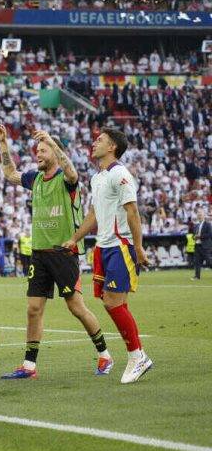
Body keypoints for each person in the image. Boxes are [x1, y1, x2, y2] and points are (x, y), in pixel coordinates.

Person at [0, 125, 113, 379]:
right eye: (37, 150)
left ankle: (105, 355)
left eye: (43, 150)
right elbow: (10, 173)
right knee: (33, 308)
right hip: (39, 253)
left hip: (63, 252)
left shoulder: (67, 180)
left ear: (56, 153)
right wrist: (3, 143)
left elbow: (71, 171)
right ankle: (29, 366)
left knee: (76, 308)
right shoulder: (35, 179)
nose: (38, 154)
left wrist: (52, 142)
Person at [62, 127, 153, 384]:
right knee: (112, 302)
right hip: (103, 248)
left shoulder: (120, 174)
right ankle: (137, 355)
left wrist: (138, 247)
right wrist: (75, 238)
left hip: (120, 246)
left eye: (100, 140)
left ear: (112, 147)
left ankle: (137, 356)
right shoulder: (98, 177)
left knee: (112, 303)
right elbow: (93, 214)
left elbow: (133, 211)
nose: (94, 143)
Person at [192, 207, 211, 280]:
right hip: (197, 246)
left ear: (204, 215)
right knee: (197, 262)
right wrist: (194, 237)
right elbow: (194, 235)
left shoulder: (207, 224)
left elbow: (209, 235)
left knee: (209, 261)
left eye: (200, 214)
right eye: (198, 214)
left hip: (205, 246)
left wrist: (199, 236)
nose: (199, 215)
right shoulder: (196, 225)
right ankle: (197, 276)